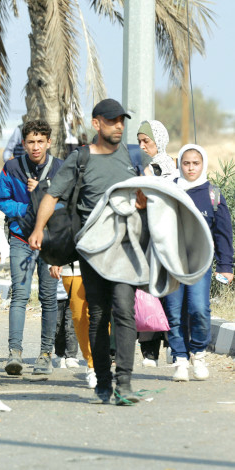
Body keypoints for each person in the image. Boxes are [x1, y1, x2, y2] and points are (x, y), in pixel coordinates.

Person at [28, 98, 152, 405]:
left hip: (125, 246)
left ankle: (124, 383)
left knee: (124, 310)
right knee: (97, 315)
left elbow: (149, 195)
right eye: (112, 121)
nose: (119, 126)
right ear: (96, 124)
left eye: (122, 121)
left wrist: (144, 202)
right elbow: (52, 194)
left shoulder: (134, 155)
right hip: (92, 248)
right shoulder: (80, 159)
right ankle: (103, 384)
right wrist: (38, 229)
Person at [0, 120, 63, 376]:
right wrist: (26, 209)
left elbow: (66, 203)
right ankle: (15, 353)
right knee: (20, 295)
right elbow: (1, 199)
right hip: (21, 238)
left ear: (49, 142)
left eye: (40, 141)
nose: (36, 147)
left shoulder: (59, 168)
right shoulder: (11, 167)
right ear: (23, 143)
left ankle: (46, 354)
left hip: (49, 241)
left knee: (48, 297)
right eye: (31, 142)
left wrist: (43, 203)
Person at [164, 144, 233, 382]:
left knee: (199, 310)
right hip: (172, 266)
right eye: (186, 163)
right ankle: (180, 360)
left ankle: (199, 355)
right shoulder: (169, 190)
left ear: (202, 164)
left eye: (196, 163)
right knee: (173, 313)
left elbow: (223, 233)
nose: (191, 168)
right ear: (179, 164)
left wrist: (226, 266)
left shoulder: (213, 195)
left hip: (200, 265)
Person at [136, 120, 175, 366]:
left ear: (158, 140)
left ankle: (173, 346)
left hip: (168, 238)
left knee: (170, 294)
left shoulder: (171, 168)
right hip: (147, 238)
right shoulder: (145, 168)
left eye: (146, 141)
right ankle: (150, 350)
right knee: (148, 292)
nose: (142, 146)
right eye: (140, 141)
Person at [50, 262, 97, 389]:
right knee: (78, 317)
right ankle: (90, 359)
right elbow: (56, 241)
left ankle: (95, 365)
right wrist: (54, 259)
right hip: (73, 269)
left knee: (100, 317)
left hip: (102, 266)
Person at [53, 278, 80, 368]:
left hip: (73, 294)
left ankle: (71, 356)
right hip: (55, 295)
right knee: (57, 326)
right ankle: (60, 355)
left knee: (71, 326)